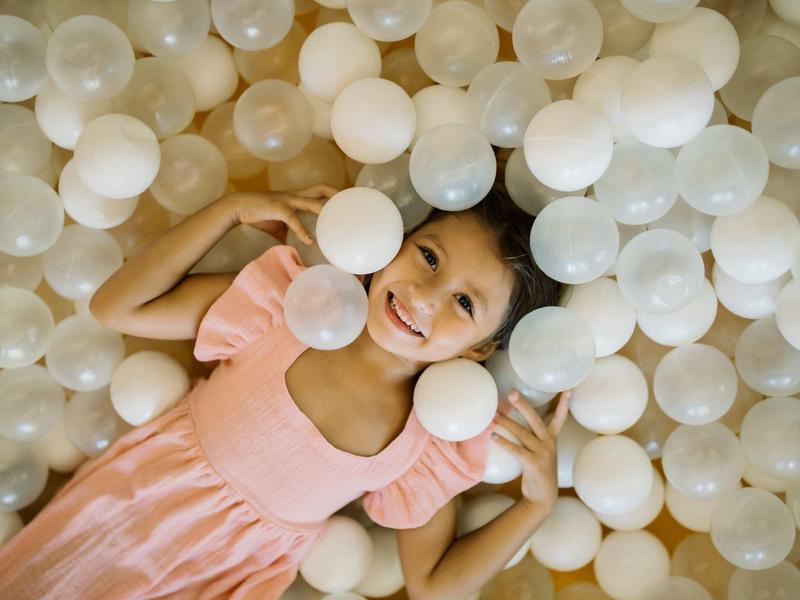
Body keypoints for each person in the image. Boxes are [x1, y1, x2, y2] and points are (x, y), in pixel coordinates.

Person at [0, 182, 568, 600]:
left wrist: (536, 506)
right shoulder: (286, 306)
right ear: (392, 241)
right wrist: (229, 208)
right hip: (130, 507)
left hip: (223, 578)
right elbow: (116, 306)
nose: (424, 295)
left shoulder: (425, 445)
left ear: (478, 349)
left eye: (465, 304)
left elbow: (432, 585)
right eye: (428, 256)